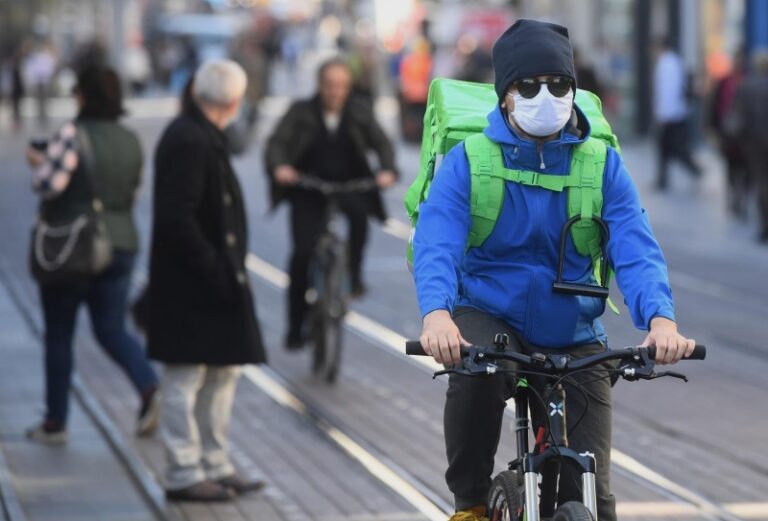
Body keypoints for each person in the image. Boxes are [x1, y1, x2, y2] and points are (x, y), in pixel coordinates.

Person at [411, 20, 696, 521]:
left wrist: (661, 321)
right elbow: (438, 242)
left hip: (572, 327)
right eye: (530, 85)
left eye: (560, 85)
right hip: (488, 313)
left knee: (593, 494)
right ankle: (471, 503)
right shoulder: (468, 161)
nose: (547, 95)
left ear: (574, 91)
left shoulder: (601, 163)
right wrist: (437, 314)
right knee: (474, 378)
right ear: (505, 97)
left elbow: (635, 246)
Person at [148, 59, 266, 502]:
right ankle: (183, 472)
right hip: (193, 284)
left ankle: (214, 463)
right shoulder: (190, 140)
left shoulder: (198, 134)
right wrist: (213, 265)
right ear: (234, 101)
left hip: (211, 282)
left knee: (221, 373)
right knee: (185, 378)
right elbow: (176, 218)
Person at [24, 66, 159, 444]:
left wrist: (38, 162)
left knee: (59, 334)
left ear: (83, 96)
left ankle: (56, 422)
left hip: (73, 246)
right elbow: (131, 194)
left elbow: (50, 184)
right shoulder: (131, 139)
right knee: (112, 328)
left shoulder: (73, 133)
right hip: (120, 245)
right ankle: (149, 385)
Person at [265, 57, 398, 350]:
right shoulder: (300, 112)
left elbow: (383, 143)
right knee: (301, 255)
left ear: (348, 87)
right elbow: (277, 143)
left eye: (341, 86)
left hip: (349, 185)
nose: (335, 93)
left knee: (360, 222)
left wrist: (387, 169)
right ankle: (295, 326)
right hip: (308, 188)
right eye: (329, 86)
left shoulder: (359, 111)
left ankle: (354, 276)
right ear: (320, 86)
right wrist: (280, 168)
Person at [729, 49, 768, 243]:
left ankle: (764, 225)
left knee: (761, 181)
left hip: (754, 143)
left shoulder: (747, 86)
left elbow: (738, 118)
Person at [653, 37, 701, 190]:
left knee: (670, 147)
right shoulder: (674, 62)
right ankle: (663, 179)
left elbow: (667, 91)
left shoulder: (666, 64)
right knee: (668, 148)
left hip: (670, 115)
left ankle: (693, 170)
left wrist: (663, 115)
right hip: (676, 113)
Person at [709, 51, 748, 219]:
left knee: (742, 169)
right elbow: (714, 107)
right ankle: (735, 197)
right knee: (733, 167)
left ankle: (739, 197)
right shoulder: (724, 82)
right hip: (729, 134)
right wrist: (712, 128)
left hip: (741, 135)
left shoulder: (745, 81)